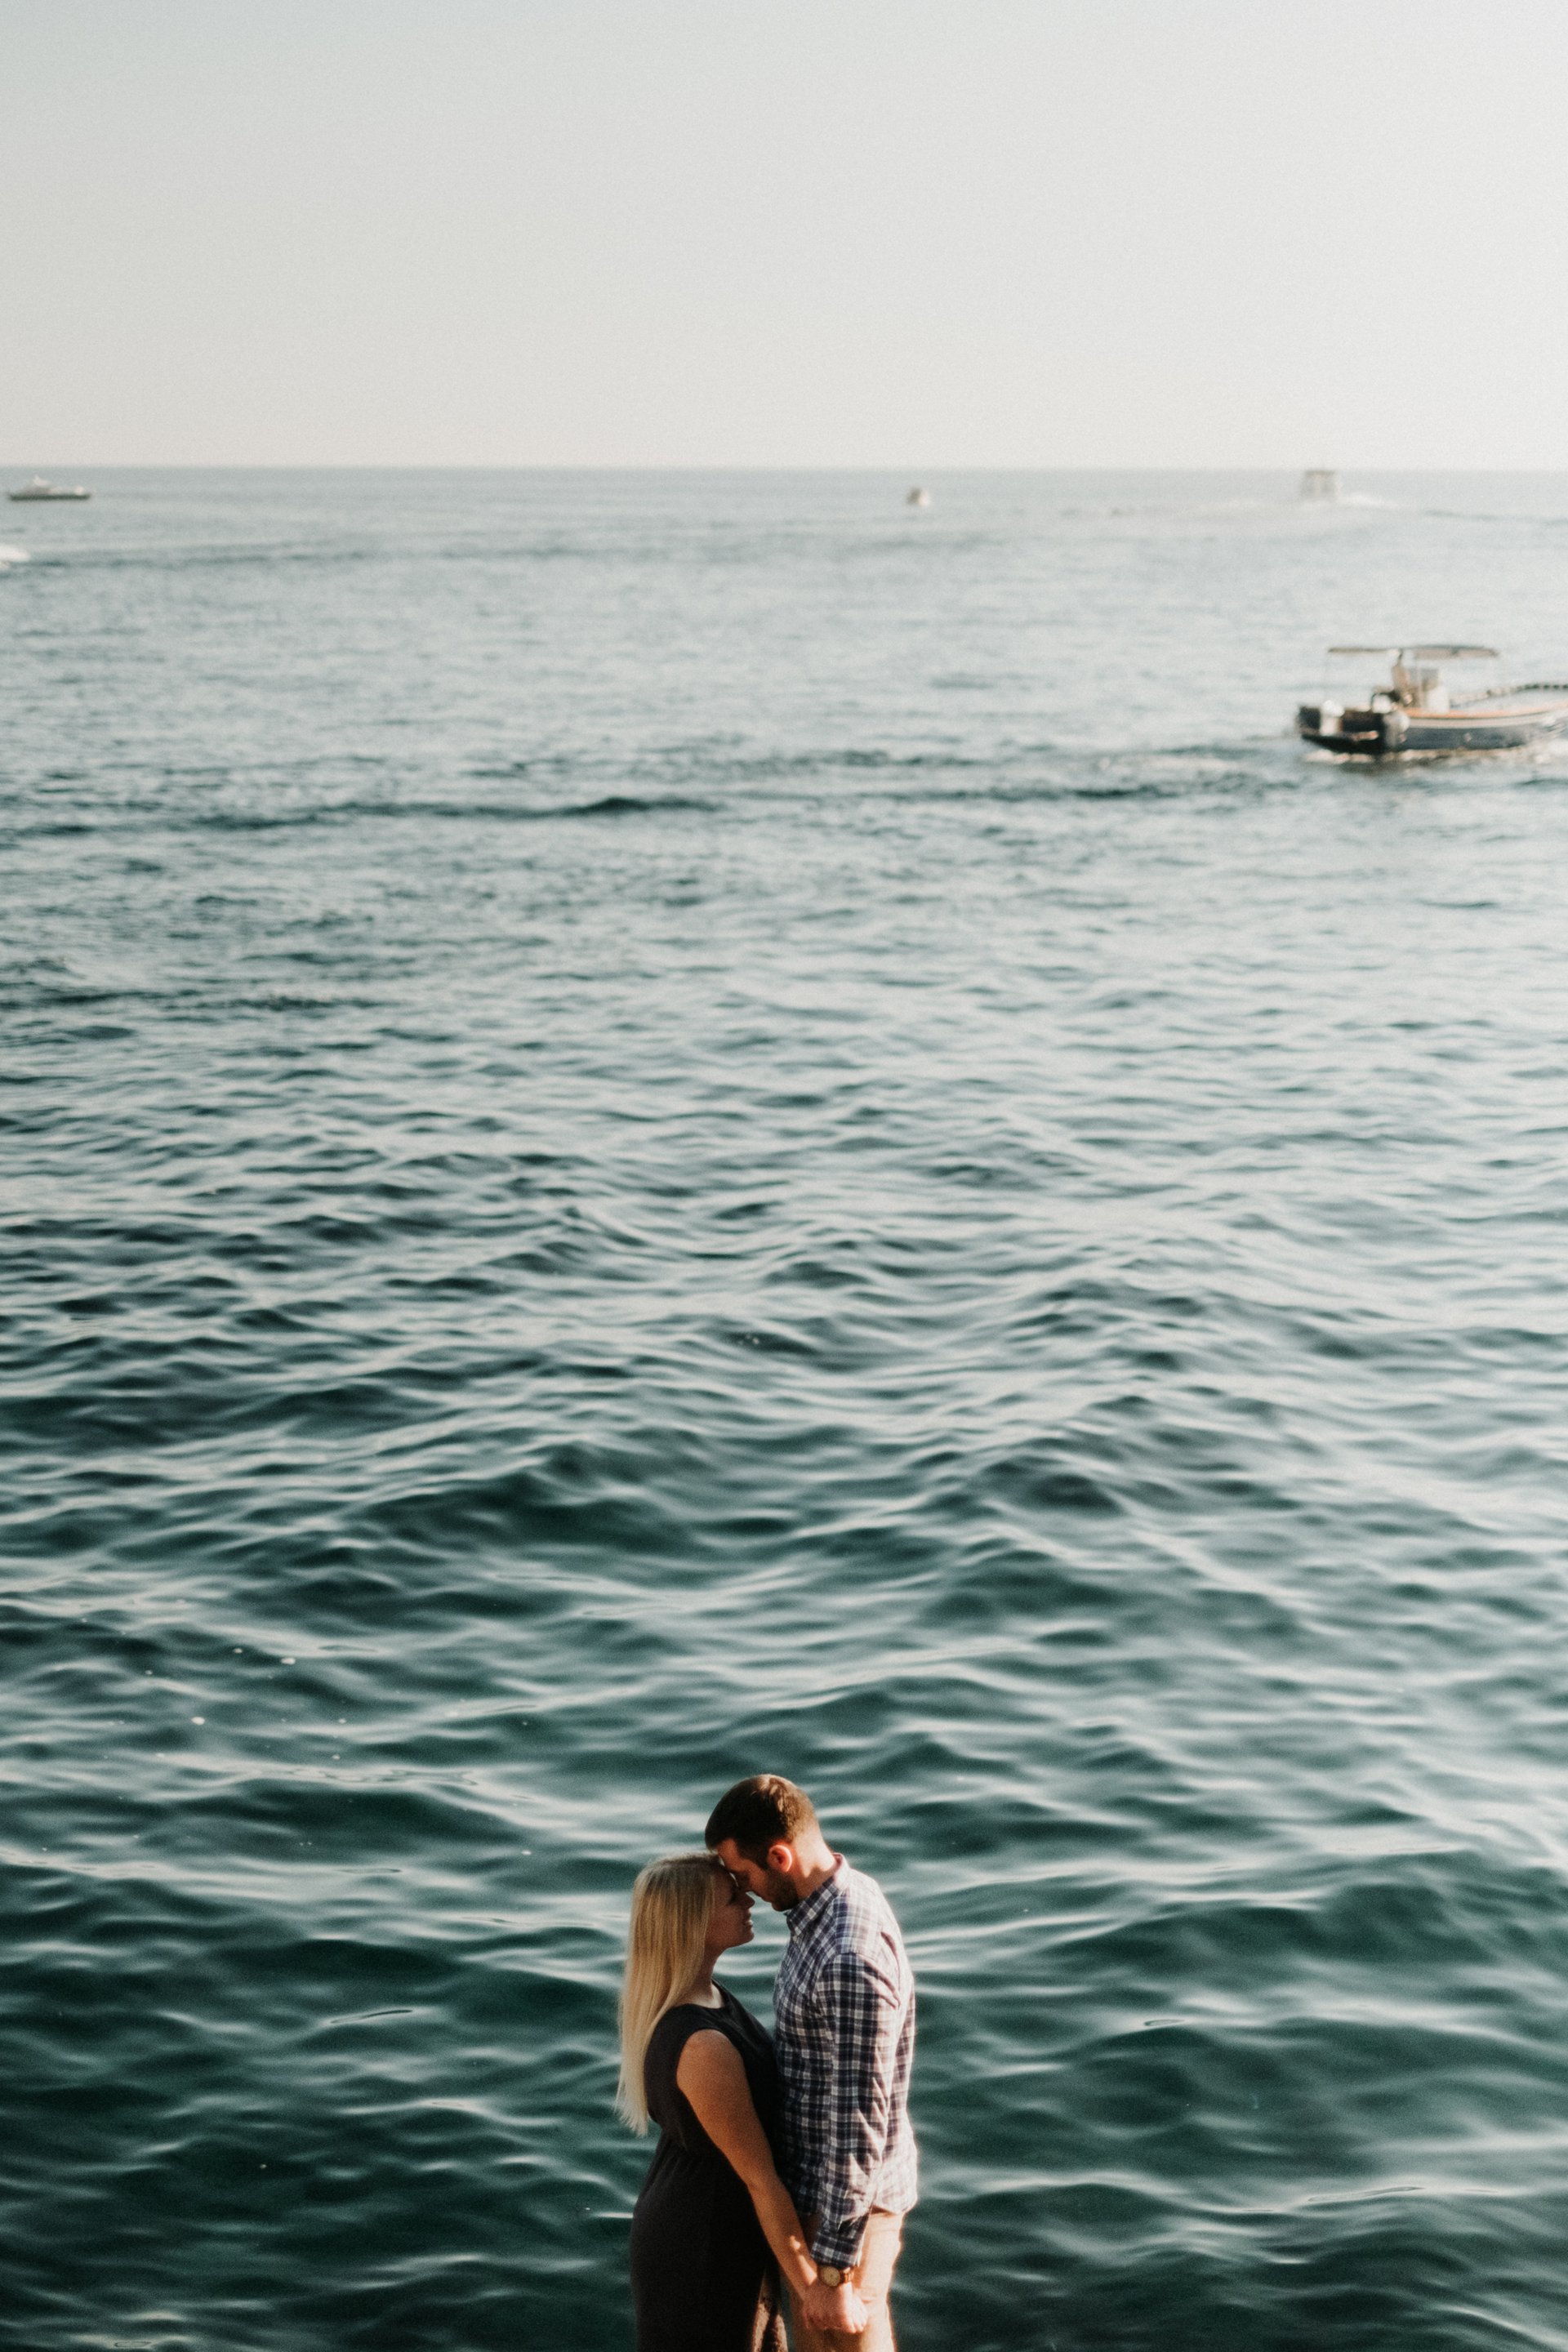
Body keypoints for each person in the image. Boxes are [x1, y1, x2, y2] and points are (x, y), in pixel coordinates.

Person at [619, 1851, 862, 2351]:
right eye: (732, 1896)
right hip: (703, 2243)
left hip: (718, 2221)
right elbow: (759, 2177)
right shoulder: (701, 2045)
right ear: (694, 1925)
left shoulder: (708, 1997)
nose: (749, 1898)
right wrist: (814, 2287)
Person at [706, 1777, 916, 2352]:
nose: (741, 1891)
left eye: (742, 1874)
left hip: (842, 2213)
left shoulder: (847, 1957)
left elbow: (857, 2123)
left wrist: (830, 2270)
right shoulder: (838, 1902)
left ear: (779, 1856)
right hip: (822, 2203)